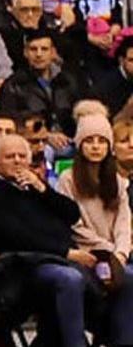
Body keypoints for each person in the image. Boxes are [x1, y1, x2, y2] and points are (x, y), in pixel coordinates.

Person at [0, 133, 116, 347]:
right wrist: (66, 253)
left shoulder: (35, 189)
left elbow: (71, 214)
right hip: (23, 267)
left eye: (22, 156)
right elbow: (18, 237)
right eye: (10, 156)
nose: (17, 161)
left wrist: (42, 188)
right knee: (69, 278)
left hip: (62, 259)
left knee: (124, 275)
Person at [55, 113, 133, 345]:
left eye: (101, 141)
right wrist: (107, 252)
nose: (96, 146)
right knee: (126, 276)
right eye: (90, 141)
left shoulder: (117, 181)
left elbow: (123, 222)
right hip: (86, 254)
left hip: (116, 255)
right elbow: (73, 224)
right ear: (80, 145)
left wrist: (119, 254)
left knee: (129, 276)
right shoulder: (68, 180)